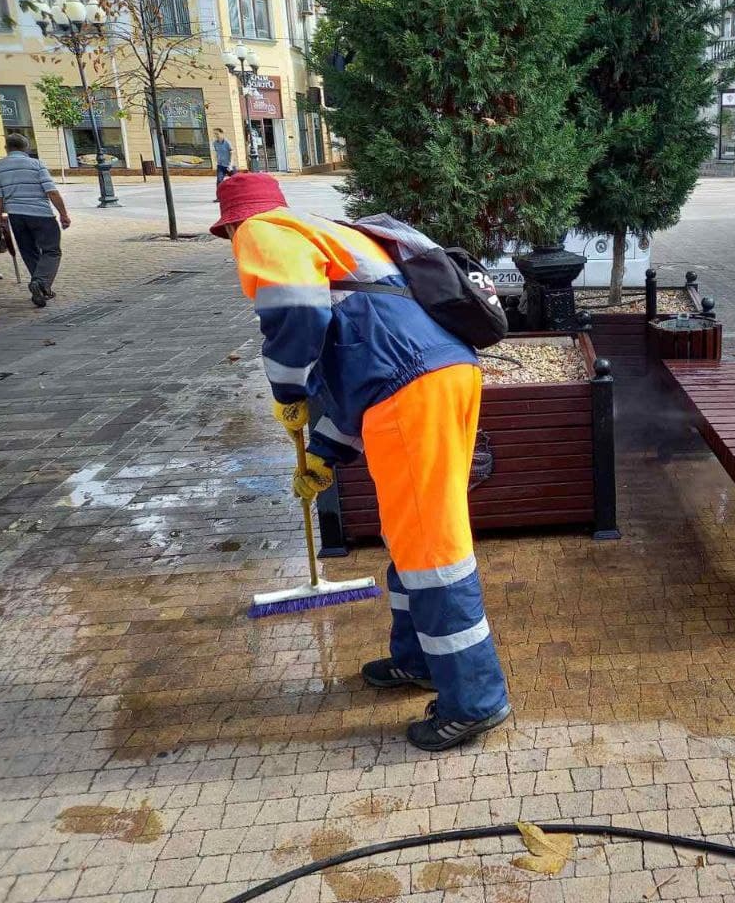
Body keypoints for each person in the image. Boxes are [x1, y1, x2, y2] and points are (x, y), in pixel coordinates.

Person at [212, 173, 511, 750]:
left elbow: (296, 312)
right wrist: (323, 454)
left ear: (230, 226)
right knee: (412, 534)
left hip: (411, 386)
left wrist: (287, 392)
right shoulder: (331, 236)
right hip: (440, 374)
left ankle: (476, 699)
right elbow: (366, 361)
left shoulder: (261, 231)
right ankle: (419, 659)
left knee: (433, 547)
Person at [0, 133, 71, 307]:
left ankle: (42, 288)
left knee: (29, 252)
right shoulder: (36, 164)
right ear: (26, 148)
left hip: (16, 217)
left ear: (7, 148)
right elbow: (51, 191)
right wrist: (63, 214)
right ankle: (41, 283)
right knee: (51, 251)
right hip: (41, 214)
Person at [212, 129, 233, 202]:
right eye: (214, 134)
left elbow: (231, 153)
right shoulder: (215, 143)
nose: (215, 136)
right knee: (219, 181)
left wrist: (230, 164)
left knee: (237, 179)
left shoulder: (227, 142)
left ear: (222, 133)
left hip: (229, 166)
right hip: (220, 165)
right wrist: (216, 160)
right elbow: (216, 153)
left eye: (217, 134)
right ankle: (219, 197)